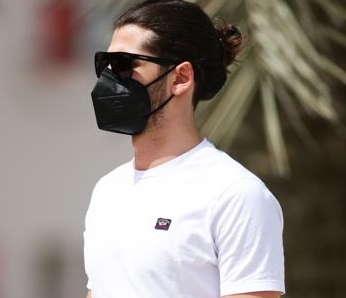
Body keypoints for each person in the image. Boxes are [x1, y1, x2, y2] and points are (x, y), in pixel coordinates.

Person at [84, 1, 285, 297]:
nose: (110, 79)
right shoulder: (107, 190)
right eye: (106, 65)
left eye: (126, 64)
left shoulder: (236, 195)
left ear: (180, 78)